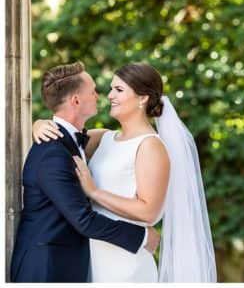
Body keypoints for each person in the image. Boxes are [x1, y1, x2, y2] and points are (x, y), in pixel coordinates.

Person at [31, 63, 216, 283]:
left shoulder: (150, 146)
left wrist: (95, 192)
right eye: (111, 89)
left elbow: (150, 212)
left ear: (142, 98)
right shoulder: (104, 138)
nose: (109, 96)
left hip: (126, 262)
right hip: (92, 257)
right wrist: (39, 124)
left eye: (118, 90)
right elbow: (64, 136)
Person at [10, 62, 158, 283]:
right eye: (93, 91)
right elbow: (84, 220)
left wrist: (39, 123)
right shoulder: (52, 151)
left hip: (78, 263)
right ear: (76, 101)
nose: (101, 96)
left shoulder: (79, 140)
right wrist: (143, 237)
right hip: (46, 269)